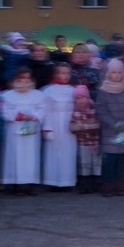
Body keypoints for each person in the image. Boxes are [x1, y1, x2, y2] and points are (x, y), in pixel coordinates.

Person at [96, 59, 124, 196]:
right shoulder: (103, 91)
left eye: (119, 72)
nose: (116, 75)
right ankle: (107, 186)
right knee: (110, 159)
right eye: (113, 72)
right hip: (110, 130)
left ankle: (119, 185)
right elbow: (101, 110)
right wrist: (113, 123)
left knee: (122, 159)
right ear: (108, 73)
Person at [0, 68, 46, 195]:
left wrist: (34, 116)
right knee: (15, 156)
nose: (25, 81)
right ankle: (17, 184)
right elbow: (4, 111)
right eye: (21, 78)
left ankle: (31, 182)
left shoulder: (38, 94)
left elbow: (43, 109)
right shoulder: (8, 95)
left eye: (27, 78)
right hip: (14, 129)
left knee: (32, 156)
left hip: (32, 128)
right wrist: (17, 116)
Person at [42, 63, 77, 191]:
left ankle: (67, 181)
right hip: (54, 122)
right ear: (56, 74)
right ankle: (53, 181)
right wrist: (47, 128)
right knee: (53, 152)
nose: (65, 76)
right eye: (62, 73)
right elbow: (45, 110)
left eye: (68, 73)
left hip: (68, 123)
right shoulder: (48, 90)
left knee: (69, 152)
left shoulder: (74, 90)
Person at [69, 85, 101, 194]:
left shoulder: (93, 110)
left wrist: (83, 126)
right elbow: (72, 127)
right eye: (78, 98)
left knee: (96, 163)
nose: (80, 100)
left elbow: (97, 125)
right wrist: (80, 127)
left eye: (82, 97)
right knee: (84, 163)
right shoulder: (75, 112)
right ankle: (84, 184)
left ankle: (96, 183)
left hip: (95, 142)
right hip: (83, 142)